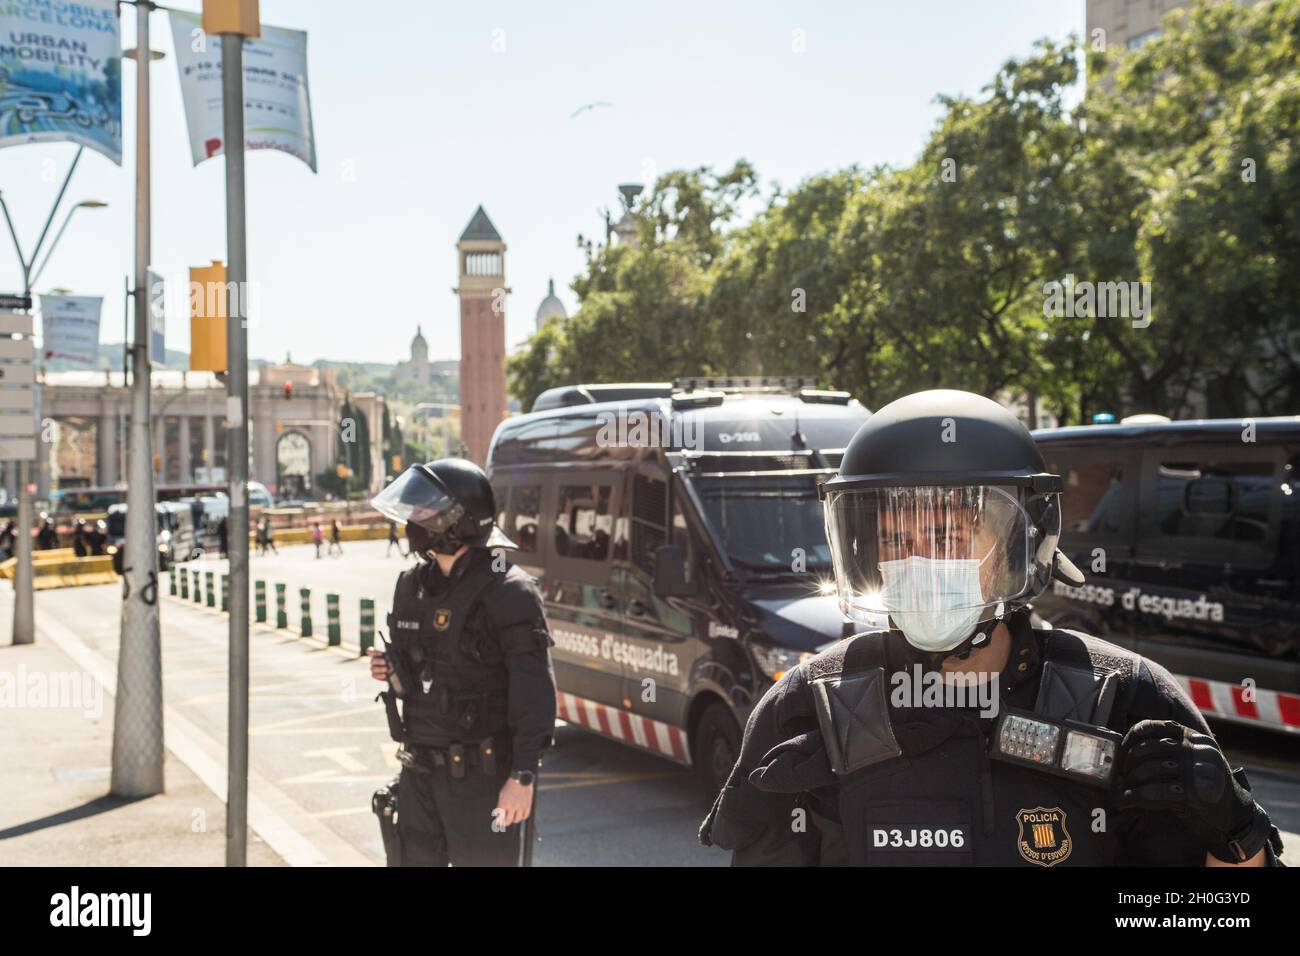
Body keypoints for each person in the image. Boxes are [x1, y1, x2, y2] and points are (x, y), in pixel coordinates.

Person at [699, 390, 1283, 867]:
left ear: (1021, 544)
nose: (920, 562)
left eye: (950, 536)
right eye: (898, 540)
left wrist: (1234, 834)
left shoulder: (1124, 698)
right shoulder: (809, 705)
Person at [367, 458, 557, 867]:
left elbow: (535, 696)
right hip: (418, 774)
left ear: (458, 523)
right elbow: (420, 668)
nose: (413, 521)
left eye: (424, 512)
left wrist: (522, 777)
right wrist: (390, 668)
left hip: (482, 782)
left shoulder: (511, 592)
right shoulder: (411, 586)